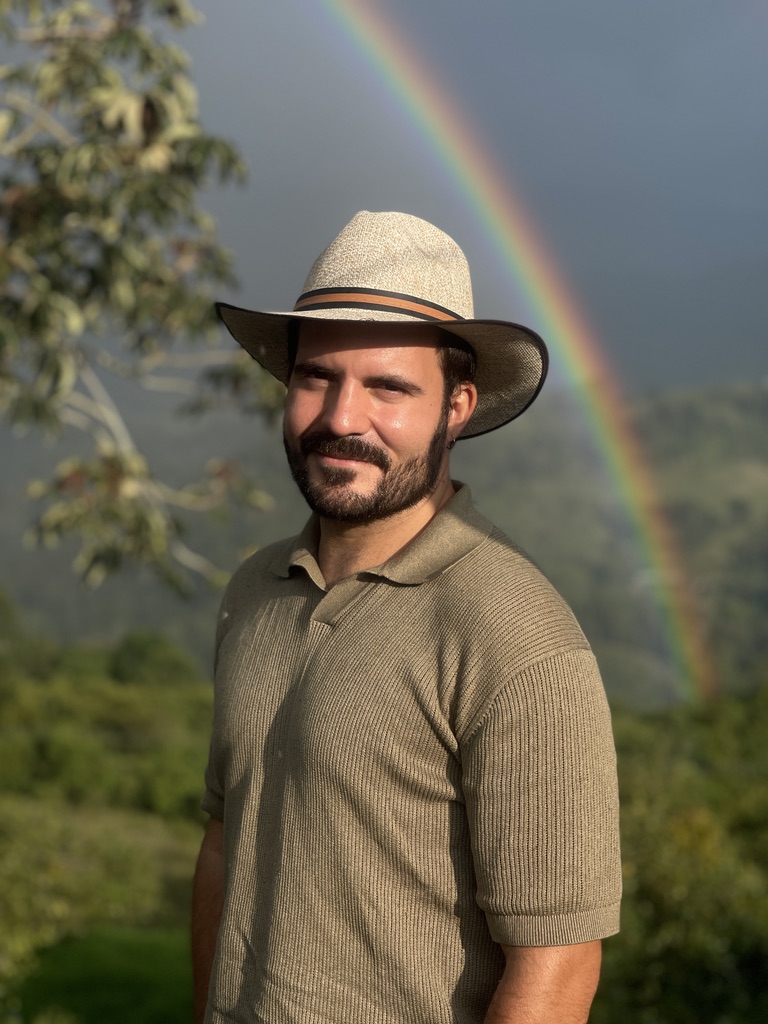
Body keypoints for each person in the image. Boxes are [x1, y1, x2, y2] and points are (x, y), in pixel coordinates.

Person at [192, 211, 621, 1024]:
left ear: (457, 407)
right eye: (317, 377)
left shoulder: (516, 636)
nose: (342, 418)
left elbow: (557, 969)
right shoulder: (255, 589)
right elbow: (224, 847)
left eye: (388, 386)